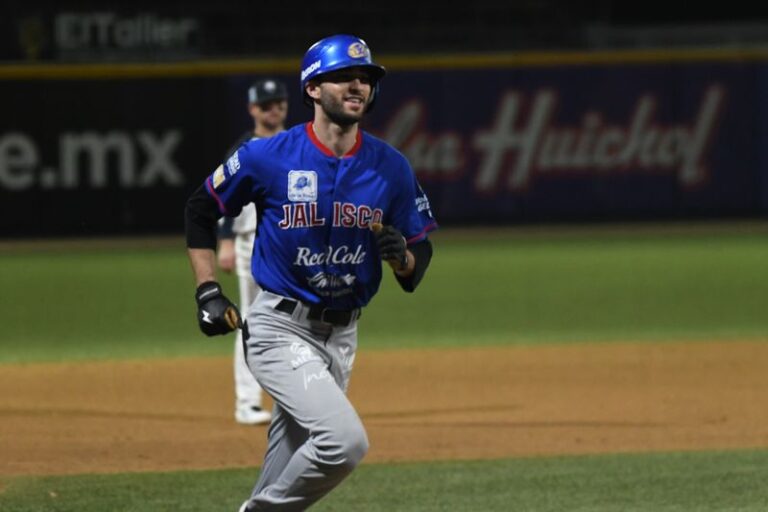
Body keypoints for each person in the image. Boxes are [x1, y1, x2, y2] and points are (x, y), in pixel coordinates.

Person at [185, 34, 437, 511]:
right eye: (343, 77)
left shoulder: (391, 167)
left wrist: (402, 256)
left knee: (283, 467)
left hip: (342, 338)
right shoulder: (268, 156)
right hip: (279, 327)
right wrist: (207, 290)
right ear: (313, 88)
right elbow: (201, 207)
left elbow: (418, 255)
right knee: (344, 442)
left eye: (365, 78)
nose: (357, 85)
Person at [218, 78, 289, 426]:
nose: (273, 109)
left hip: (291, 243)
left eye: (278, 103)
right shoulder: (243, 150)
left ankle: (294, 400)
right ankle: (247, 402)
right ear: (252, 109)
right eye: (266, 105)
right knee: (251, 320)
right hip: (251, 242)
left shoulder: (298, 143)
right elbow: (222, 197)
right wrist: (225, 240)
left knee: (295, 321)